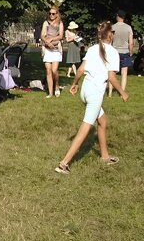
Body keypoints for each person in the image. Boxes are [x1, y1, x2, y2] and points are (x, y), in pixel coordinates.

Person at [55, 21, 129, 174]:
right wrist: (122, 92)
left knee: (102, 121)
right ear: (110, 34)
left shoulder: (93, 48)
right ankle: (64, 163)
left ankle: (105, 156)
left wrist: (75, 84)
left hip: (85, 91)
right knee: (86, 127)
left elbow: (81, 69)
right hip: (94, 94)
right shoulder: (113, 52)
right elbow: (112, 77)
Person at [108, 9, 134, 97]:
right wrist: (131, 52)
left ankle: (110, 93)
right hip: (125, 51)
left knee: (112, 73)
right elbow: (131, 42)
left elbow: (110, 40)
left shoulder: (113, 27)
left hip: (114, 51)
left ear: (118, 16)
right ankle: (122, 93)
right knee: (124, 73)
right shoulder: (128, 27)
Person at [40, 6, 65, 98]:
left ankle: (57, 85)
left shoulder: (60, 23)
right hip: (47, 49)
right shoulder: (45, 23)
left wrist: (51, 39)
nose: (51, 15)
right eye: (50, 13)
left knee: (54, 70)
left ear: (57, 14)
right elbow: (42, 35)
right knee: (48, 71)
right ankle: (50, 93)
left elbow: (60, 36)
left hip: (56, 49)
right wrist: (47, 41)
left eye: (53, 13)